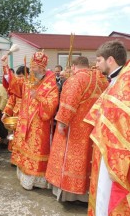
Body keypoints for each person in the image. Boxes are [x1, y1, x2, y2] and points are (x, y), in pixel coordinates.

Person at [45, 56, 108, 202]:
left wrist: (61, 123)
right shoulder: (101, 79)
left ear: (74, 66)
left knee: (70, 159)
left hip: (75, 128)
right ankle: (87, 194)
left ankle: (70, 194)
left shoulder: (76, 80)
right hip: (93, 126)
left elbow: (68, 104)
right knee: (87, 159)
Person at [84, 40, 130, 216]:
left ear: (110, 60)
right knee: (102, 190)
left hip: (114, 151)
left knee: (108, 191)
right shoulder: (116, 81)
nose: (96, 65)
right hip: (105, 146)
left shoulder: (124, 82)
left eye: (98, 60)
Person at [2, 51, 59, 190]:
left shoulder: (50, 85)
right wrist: (5, 65)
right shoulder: (28, 80)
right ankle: (23, 177)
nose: (32, 69)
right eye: (32, 66)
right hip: (24, 122)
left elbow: (52, 106)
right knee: (23, 149)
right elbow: (14, 84)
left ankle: (35, 181)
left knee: (36, 151)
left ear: (42, 68)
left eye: (35, 67)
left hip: (39, 125)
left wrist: (38, 96)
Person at [3, 65, 29, 152]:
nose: (19, 79)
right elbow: (10, 102)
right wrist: (5, 113)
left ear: (28, 76)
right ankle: (15, 155)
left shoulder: (31, 87)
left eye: (22, 76)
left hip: (27, 116)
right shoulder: (16, 88)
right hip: (16, 116)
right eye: (18, 76)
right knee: (15, 135)